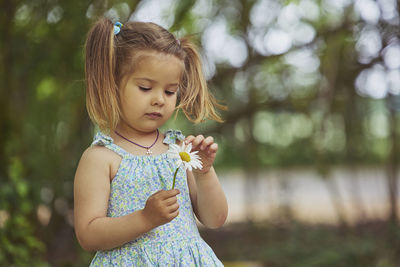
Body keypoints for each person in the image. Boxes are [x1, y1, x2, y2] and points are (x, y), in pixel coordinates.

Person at [73, 17, 228, 266]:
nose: (159, 100)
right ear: (112, 85)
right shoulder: (101, 157)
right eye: (145, 88)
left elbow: (215, 219)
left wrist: (205, 172)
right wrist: (145, 218)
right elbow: (88, 234)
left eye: (169, 91)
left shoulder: (180, 150)